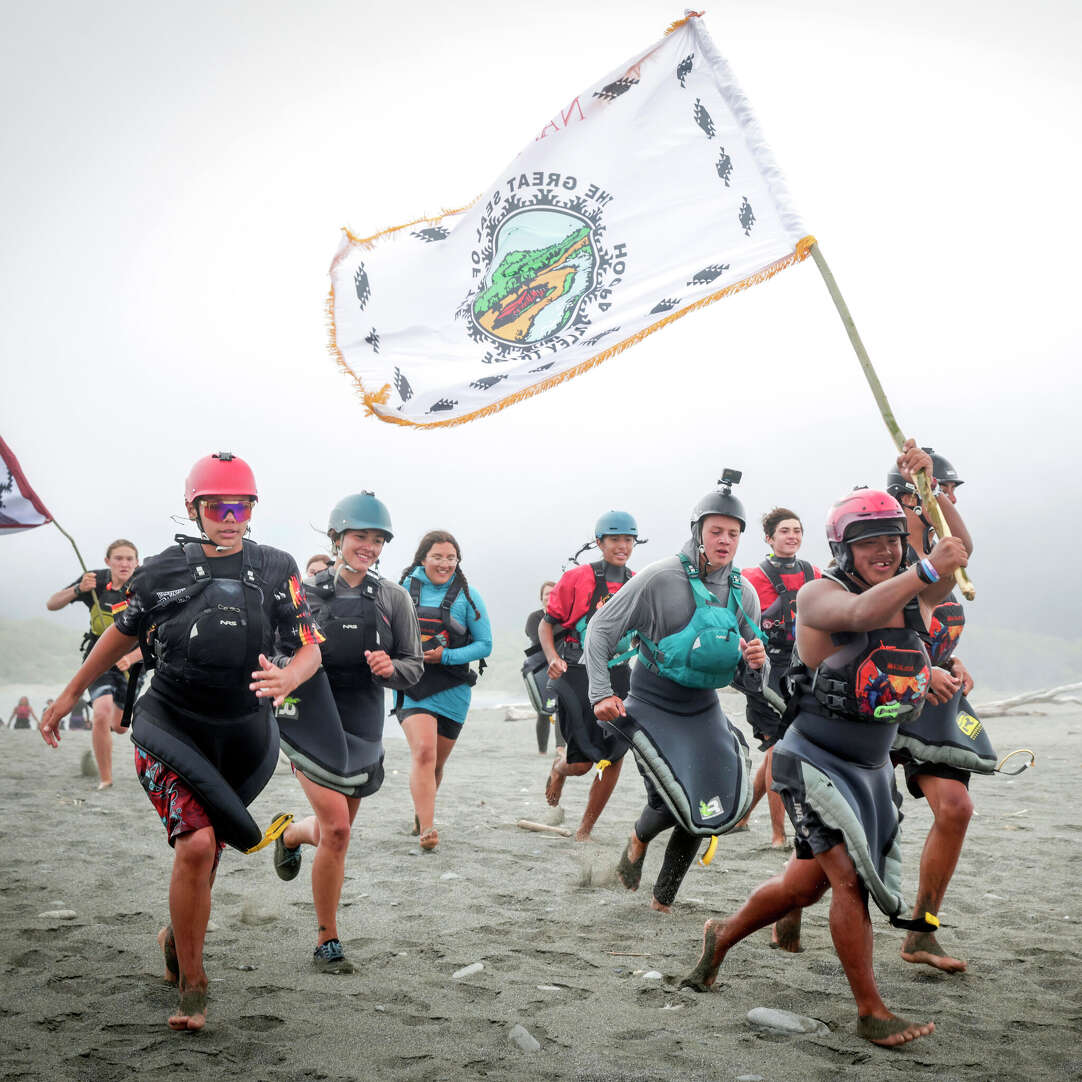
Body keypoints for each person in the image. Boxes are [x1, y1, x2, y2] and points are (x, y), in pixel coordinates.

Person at [682, 448, 968, 1048]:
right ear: (843, 550)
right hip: (811, 762)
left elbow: (958, 553)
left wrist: (930, 490)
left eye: (892, 540)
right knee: (848, 884)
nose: (884, 551)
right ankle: (870, 1010)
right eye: (868, 544)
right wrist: (921, 569)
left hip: (870, 770)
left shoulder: (913, 596)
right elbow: (862, 611)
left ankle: (722, 935)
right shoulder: (819, 594)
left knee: (803, 886)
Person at [40, 452, 323, 1032]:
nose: (231, 516)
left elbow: (308, 645)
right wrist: (71, 694)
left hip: (244, 735)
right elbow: (119, 637)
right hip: (170, 725)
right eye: (218, 505)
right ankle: (194, 986)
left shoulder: (276, 567)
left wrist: (289, 677)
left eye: (241, 505)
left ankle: (177, 935)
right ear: (195, 509)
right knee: (194, 844)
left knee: (210, 850)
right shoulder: (162, 571)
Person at [585, 476, 765, 911]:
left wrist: (756, 664)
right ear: (697, 531)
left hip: (703, 707)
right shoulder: (659, 578)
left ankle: (662, 900)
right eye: (716, 531)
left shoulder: (743, 593)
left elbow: (749, 681)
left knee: (708, 805)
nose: (725, 541)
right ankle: (637, 840)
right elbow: (600, 629)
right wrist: (600, 694)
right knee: (672, 797)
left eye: (733, 533)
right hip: (651, 702)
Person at [272, 493, 423, 972]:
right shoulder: (303, 593)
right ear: (337, 537)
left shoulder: (393, 598)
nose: (370, 547)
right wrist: (288, 673)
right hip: (308, 715)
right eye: (361, 537)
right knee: (337, 829)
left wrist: (389, 668)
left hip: (362, 719)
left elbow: (413, 667)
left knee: (335, 832)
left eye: (377, 540)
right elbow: (273, 655)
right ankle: (327, 939)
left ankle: (293, 835)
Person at [887, 448, 984, 973]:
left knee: (956, 808)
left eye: (954, 495)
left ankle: (922, 930)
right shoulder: (885, 552)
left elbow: (961, 551)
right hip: (879, 698)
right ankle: (790, 901)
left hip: (935, 702)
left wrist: (952, 661)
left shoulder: (950, 565)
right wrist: (919, 488)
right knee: (861, 817)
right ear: (913, 498)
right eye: (944, 493)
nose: (951, 502)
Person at [541, 513, 639, 841]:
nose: (622, 546)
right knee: (582, 764)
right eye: (614, 540)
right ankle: (559, 769)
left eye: (628, 539)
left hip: (619, 674)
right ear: (599, 543)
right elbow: (547, 625)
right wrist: (552, 658)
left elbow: (646, 633)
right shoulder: (576, 578)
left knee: (614, 755)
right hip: (576, 673)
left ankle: (585, 829)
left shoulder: (638, 582)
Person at [397, 531, 492, 851]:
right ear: (423, 558)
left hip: (453, 687)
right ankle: (427, 827)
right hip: (412, 682)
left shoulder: (468, 596)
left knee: (436, 763)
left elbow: (485, 644)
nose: (445, 563)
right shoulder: (401, 590)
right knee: (423, 752)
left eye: (451, 558)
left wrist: (446, 655)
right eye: (438, 556)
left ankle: (420, 811)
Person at [735, 508, 820, 847]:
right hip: (763, 669)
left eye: (797, 530)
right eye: (785, 530)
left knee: (777, 750)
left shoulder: (813, 573)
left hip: (802, 667)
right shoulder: (750, 577)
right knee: (779, 749)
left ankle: (742, 817)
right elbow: (734, 617)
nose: (792, 536)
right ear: (769, 538)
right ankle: (777, 834)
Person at [47, 539, 142, 788]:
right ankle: (106, 779)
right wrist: (78, 589)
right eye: (118, 558)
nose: (124, 563)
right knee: (101, 712)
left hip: (132, 664)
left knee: (120, 726)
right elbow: (52, 603)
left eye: (129, 559)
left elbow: (158, 633)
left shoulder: (144, 586)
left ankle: (103, 739)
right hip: (98, 659)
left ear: (137, 562)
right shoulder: (94, 582)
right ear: (107, 561)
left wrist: (131, 657)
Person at [524, 580, 563, 754]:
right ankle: (542, 750)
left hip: (562, 666)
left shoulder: (566, 616)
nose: (550, 596)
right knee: (545, 710)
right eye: (547, 594)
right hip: (540, 668)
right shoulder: (535, 617)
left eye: (554, 593)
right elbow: (538, 638)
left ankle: (560, 748)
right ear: (542, 598)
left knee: (563, 707)